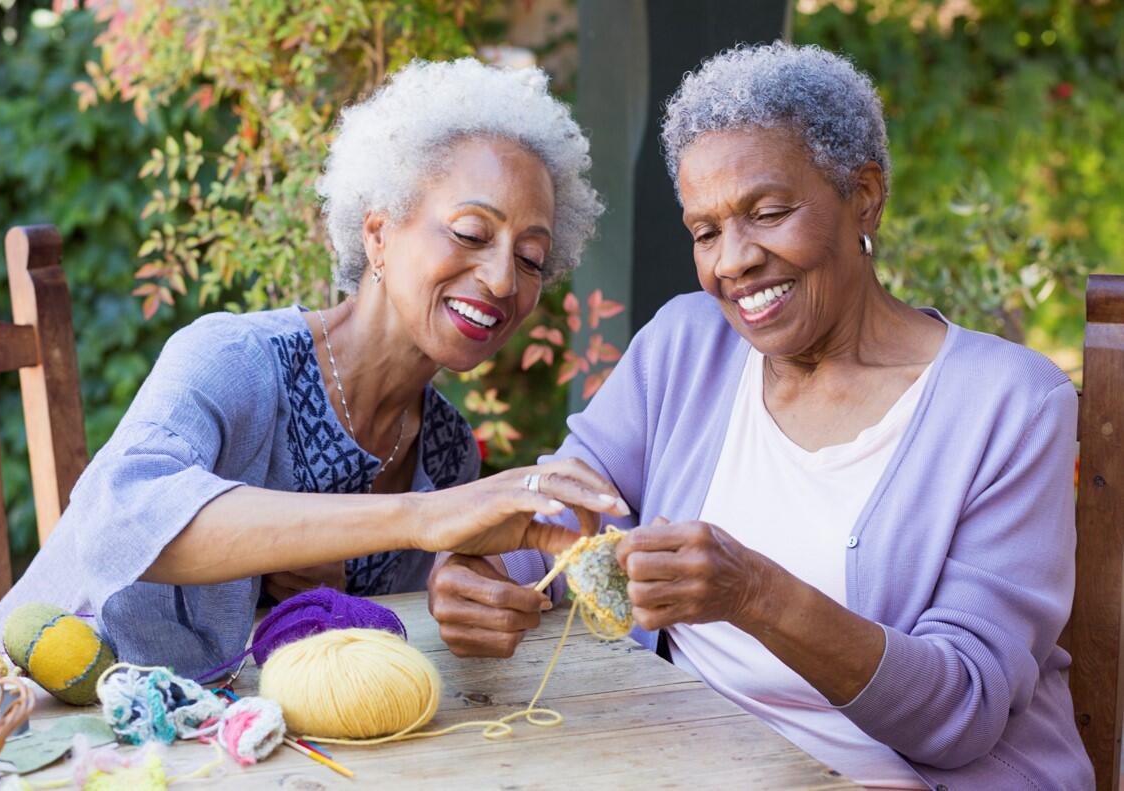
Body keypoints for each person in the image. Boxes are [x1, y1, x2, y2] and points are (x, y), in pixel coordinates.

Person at [428, 43, 1093, 789]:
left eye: (768, 213)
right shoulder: (686, 344)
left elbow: (962, 710)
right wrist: (470, 573)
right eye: (705, 231)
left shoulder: (1008, 404)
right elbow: (557, 513)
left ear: (864, 194)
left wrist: (754, 594)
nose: (732, 260)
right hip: (693, 760)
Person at [0, 58, 625, 679]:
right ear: (378, 232)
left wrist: (425, 598)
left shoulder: (443, 449)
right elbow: (122, 523)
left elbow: (344, 654)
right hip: (37, 712)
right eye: (470, 233)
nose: (503, 277)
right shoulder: (236, 360)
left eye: (532, 258)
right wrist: (419, 518)